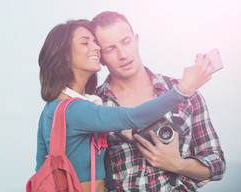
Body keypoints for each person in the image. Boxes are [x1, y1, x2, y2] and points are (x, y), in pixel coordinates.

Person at [35, 19, 213, 192]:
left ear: (136, 40)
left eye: (96, 43)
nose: (96, 48)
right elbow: (133, 117)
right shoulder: (77, 109)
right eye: (85, 43)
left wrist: (179, 164)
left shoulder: (51, 110)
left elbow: (40, 171)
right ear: (65, 54)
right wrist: (182, 90)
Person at [92, 11, 226, 192]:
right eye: (110, 49)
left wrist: (178, 164)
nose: (123, 54)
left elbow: (217, 164)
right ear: (100, 56)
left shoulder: (186, 92)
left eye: (126, 42)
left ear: (136, 39)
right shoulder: (93, 105)